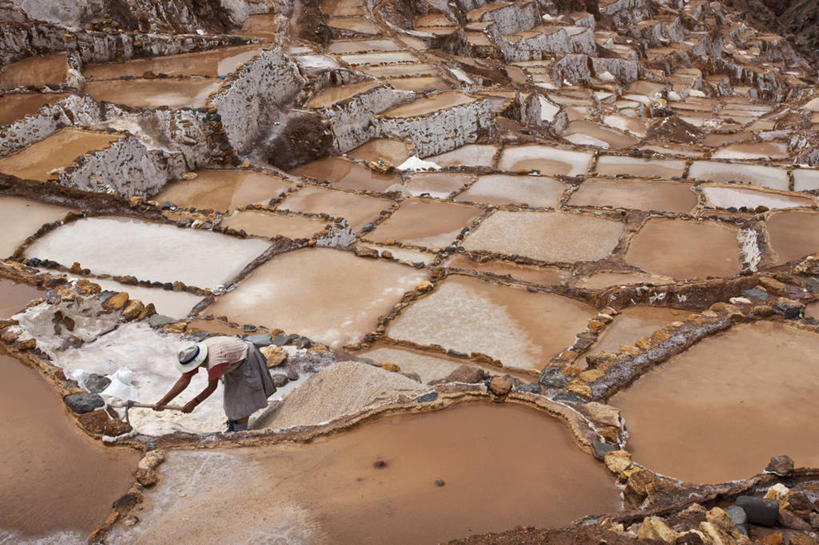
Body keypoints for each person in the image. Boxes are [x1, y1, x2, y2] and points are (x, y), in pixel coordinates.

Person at [153, 336, 276, 432]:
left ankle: (240, 431)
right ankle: (234, 425)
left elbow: (212, 387)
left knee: (243, 399)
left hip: (247, 358)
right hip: (232, 361)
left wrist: (193, 403)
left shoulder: (214, 361)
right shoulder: (195, 351)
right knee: (232, 398)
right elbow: (184, 380)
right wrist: (163, 402)